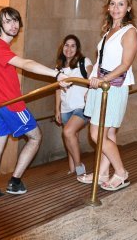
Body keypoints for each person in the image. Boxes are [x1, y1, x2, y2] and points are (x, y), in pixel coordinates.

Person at [0, 7, 69, 202]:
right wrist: (56, 74)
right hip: (11, 105)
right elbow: (26, 63)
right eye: (7, 21)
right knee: (36, 137)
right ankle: (14, 181)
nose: (13, 25)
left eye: (15, 21)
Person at [77, 0, 137, 192]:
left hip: (113, 86)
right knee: (109, 133)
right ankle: (102, 172)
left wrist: (101, 80)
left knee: (97, 134)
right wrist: (90, 87)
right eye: (112, 3)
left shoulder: (129, 31)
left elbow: (125, 64)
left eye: (121, 4)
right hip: (101, 85)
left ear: (128, 8)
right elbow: (99, 61)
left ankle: (121, 173)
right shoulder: (109, 31)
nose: (116, 8)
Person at [54, 35, 93, 179]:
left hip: (81, 106)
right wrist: (57, 109)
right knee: (72, 137)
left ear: (77, 49)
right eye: (66, 45)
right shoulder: (59, 67)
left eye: (73, 45)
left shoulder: (84, 61)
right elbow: (57, 89)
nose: (69, 48)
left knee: (68, 132)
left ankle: (79, 167)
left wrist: (90, 89)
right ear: (62, 47)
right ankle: (72, 169)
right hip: (65, 108)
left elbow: (92, 75)